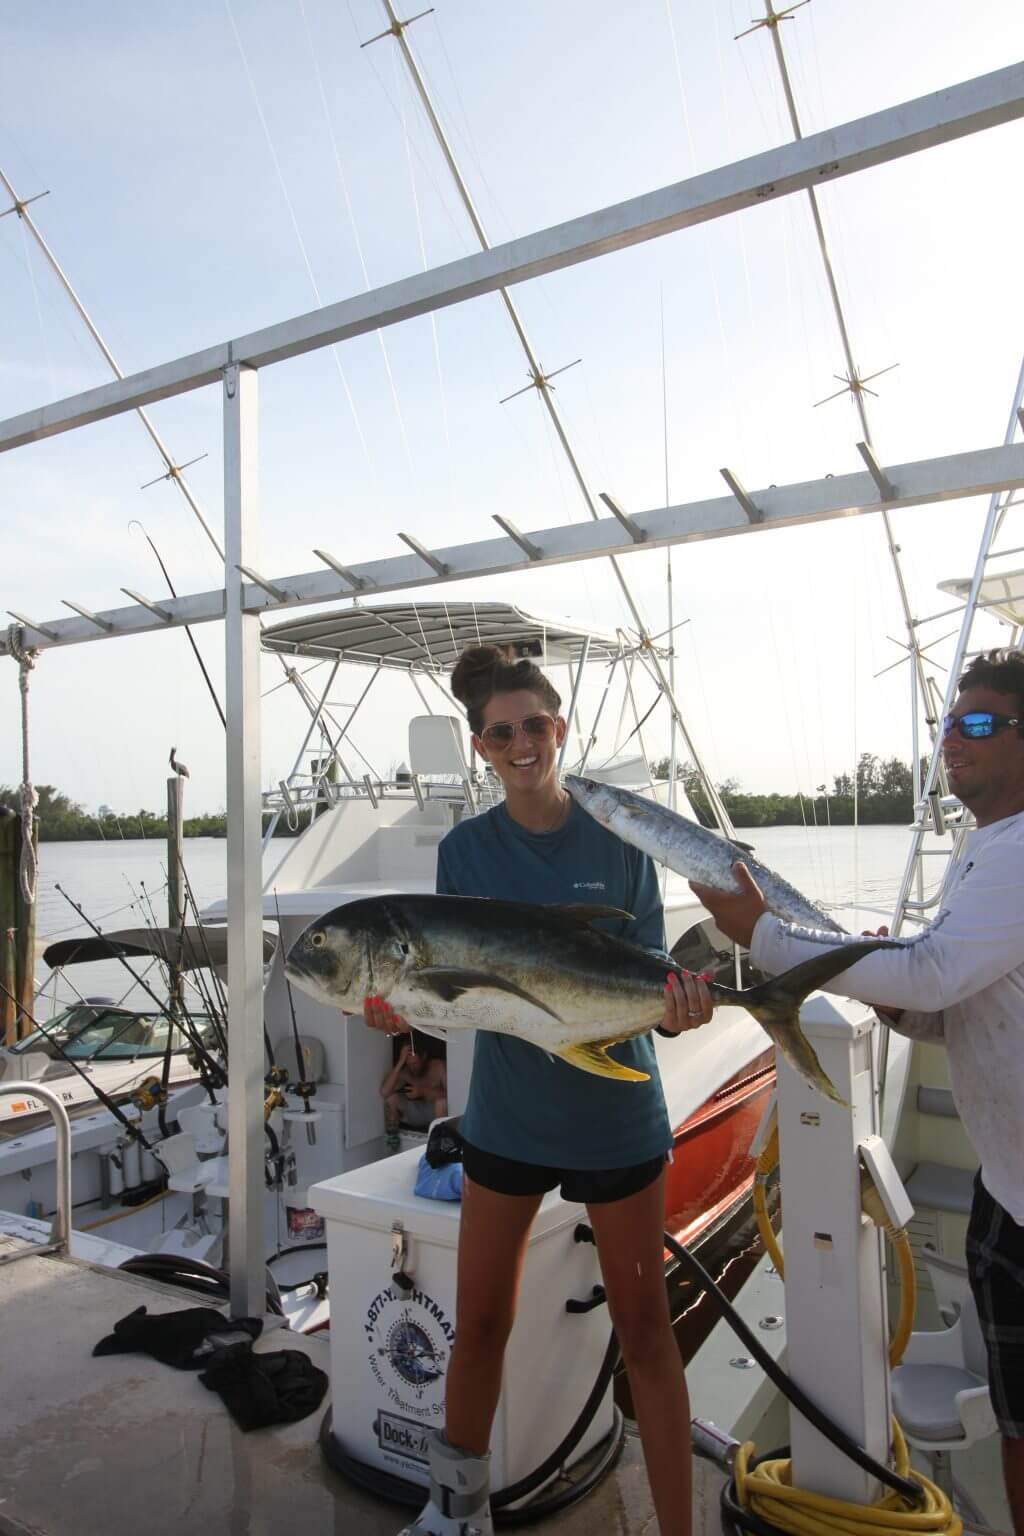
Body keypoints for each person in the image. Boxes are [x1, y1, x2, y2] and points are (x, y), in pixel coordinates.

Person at [364, 643, 713, 1536]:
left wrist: (673, 1008)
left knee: (645, 1332)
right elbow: (459, 991)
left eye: (536, 726)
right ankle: (453, 1516)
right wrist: (402, 1017)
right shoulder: (464, 852)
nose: (522, 743)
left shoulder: (620, 840)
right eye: (501, 732)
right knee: (477, 1323)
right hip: (510, 1120)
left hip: (615, 1113)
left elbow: (645, 974)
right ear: (481, 746)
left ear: (560, 729)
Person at [687, 648, 1024, 1536]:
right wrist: (896, 999)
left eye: (979, 722)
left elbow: (938, 966)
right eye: (949, 722)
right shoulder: (985, 850)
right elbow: (953, 1005)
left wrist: (759, 930)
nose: (953, 738)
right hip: (1004, 1189)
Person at [380, 1041, 448, 1151]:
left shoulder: (438, 1067)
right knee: (391, 1098)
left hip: (435, 1113)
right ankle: (392, 1141)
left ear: (424, 1057)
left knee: (442, 1102)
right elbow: (385, 1092)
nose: (413, 1068)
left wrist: (424, 1091)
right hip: (415, 1114)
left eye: (415, 1063)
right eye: (409, 1064)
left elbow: (452, 1093)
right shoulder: (406, 1072)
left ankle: (439, 1142)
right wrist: (400, 1063)